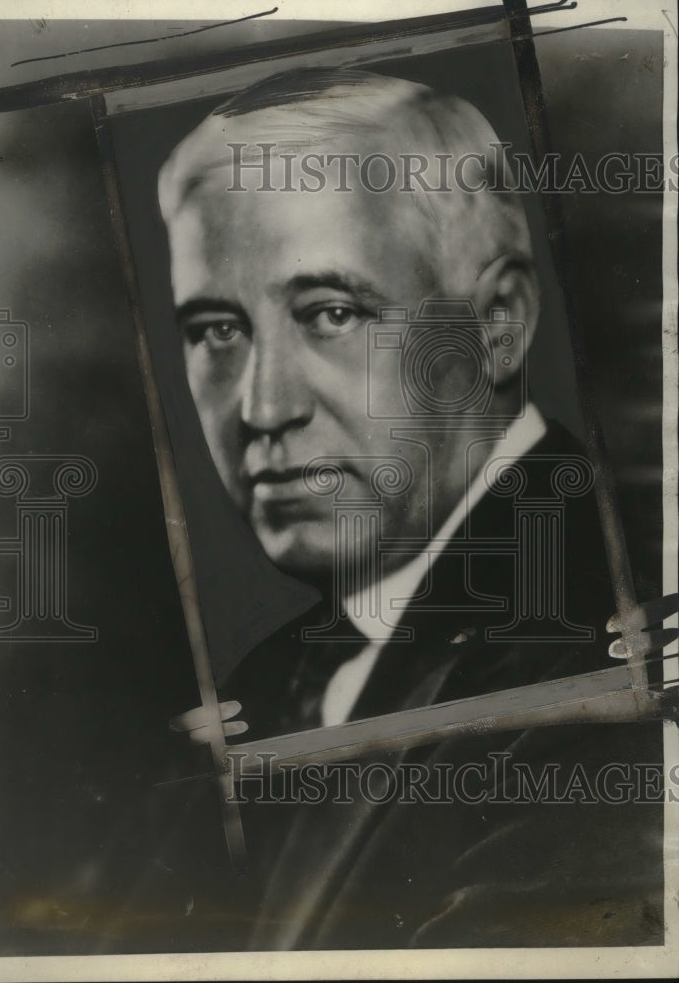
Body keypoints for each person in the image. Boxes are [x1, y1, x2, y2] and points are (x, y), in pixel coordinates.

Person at [155, 67, 664, 950]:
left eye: (331, 312)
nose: (263, 409)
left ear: (497, 322)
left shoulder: (616, 645)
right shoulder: (263, 685)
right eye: (216, 331)